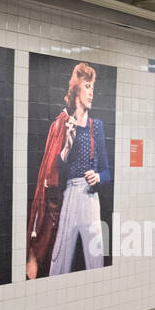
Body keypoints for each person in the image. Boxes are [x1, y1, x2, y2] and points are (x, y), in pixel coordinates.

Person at [27, 62, 112, 278]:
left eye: (93, 87)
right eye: (87, 86)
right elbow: (56, 171)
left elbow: (107, 171)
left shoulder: (96, 126)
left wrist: (98, 177)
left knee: (95, 258)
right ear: (76, 89)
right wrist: (67, 145)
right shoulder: (64, 124)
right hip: (70, 193)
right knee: (60, 258)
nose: (91, 92)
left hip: (91, 197)